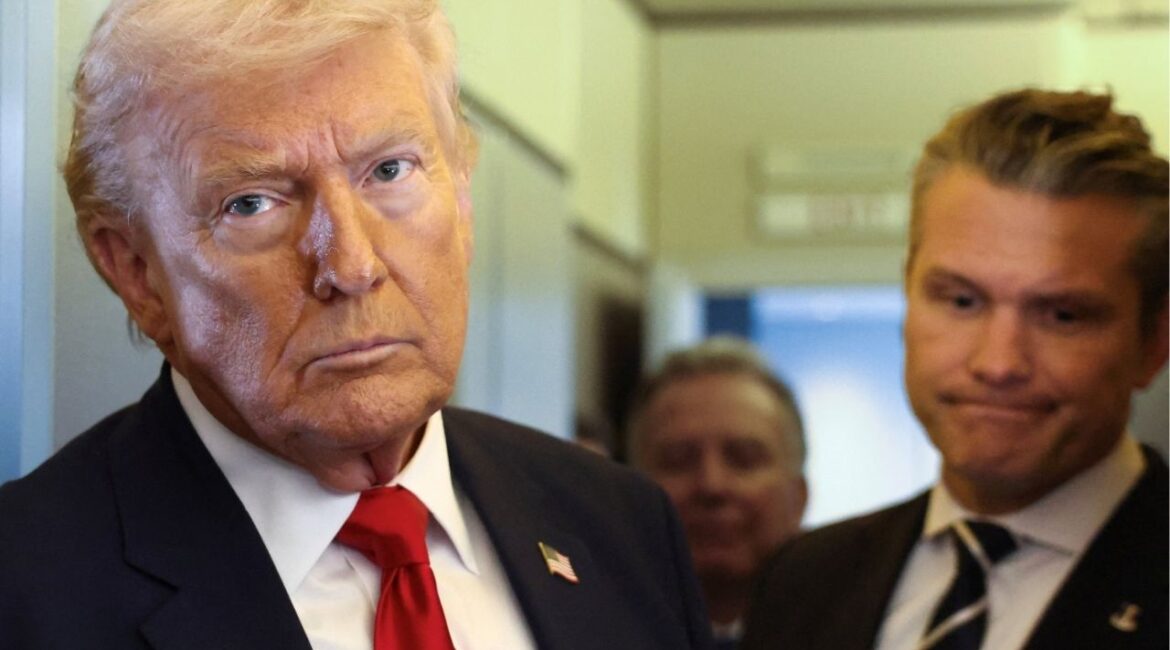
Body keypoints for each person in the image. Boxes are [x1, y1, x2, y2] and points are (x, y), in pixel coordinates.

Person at [0, 2, 714, 649]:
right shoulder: (27, 591)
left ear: (462, 194)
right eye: (252, 203)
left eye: (390, 170)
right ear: (135, 271)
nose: (351, 263)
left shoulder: (621, 525)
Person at [742, 88, 1168, 650]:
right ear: (908, 297)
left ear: (1153, 344)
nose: (998, 363)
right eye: (961, 301)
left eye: (1062, 314)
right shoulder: (805, 580)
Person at [628, 337, 808, 648]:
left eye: (745, 459)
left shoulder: (865, 630)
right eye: (678, 461)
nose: (712, 486)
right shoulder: (572, 626)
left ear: (799, 495)